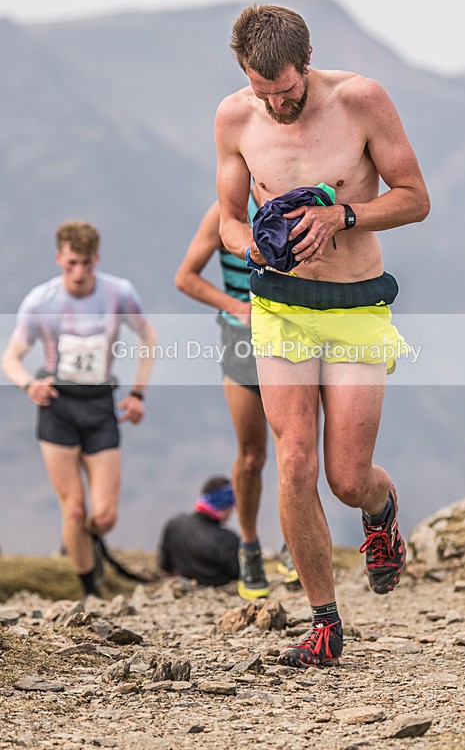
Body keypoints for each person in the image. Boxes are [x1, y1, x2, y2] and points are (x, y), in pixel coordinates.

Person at [215, 4, 430, 667]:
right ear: (245, 75)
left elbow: (415, 197)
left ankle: (380, 507)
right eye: (263, 91)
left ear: (305, 65)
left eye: (286, 90)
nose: (276, 105)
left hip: (356, 306)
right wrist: (252, 243)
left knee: (344, 477)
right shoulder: (234, 117)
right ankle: (323, 622)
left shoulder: (361, 100)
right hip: (279, 307)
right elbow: (226, 218)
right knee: (296, 462)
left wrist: (343, 215)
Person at [1, 221, 157, 598]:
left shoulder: (118, 293)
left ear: (96, 260)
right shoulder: (41, 300)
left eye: (86, 263)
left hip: (100, 405)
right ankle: (90, 590)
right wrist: (28, 384)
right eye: (71, 263)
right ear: (59, 258)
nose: (79, 273)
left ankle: (88, 542)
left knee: (103, 516)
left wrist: (138, 394)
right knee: (73, 509)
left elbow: (149, 338)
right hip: (59, 407)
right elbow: (12, 357)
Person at [175, 196, 298, 599]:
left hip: (290, 336)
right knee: (251, 455)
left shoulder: (296, 201)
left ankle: (296, 542)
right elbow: (186, 277)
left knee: (295, 449)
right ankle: (249, 545)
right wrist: (234, 305)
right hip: (241, 340)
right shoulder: (224, 212)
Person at [158, 475, 240, 586]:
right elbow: (237, 573)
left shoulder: (175, 524)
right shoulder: (229, 539)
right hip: (218, 588)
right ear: (225, 501)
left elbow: (165, 566)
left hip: (184, 584)